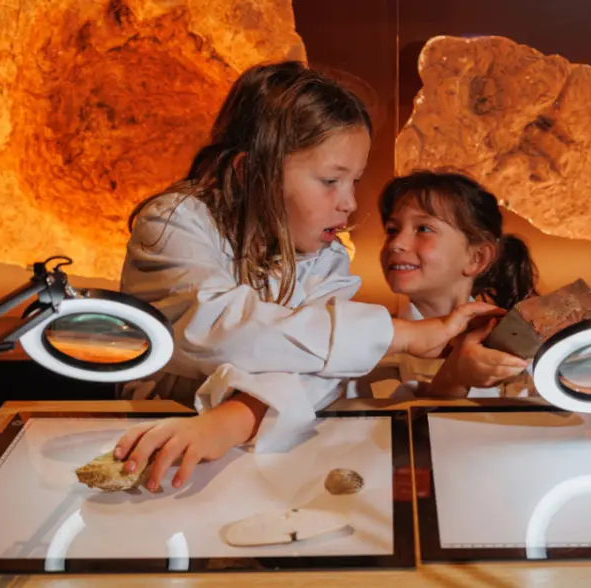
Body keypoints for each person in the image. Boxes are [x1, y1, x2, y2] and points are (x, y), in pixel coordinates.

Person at [111, 62, 501, 491]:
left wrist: (232, 420)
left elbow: (324, 368)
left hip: (264, 456)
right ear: (249, 173)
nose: (350, 203)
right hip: (154, 437)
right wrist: (401, 335)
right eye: (331, 180)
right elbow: (218, 327)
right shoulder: (174, 222)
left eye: (354, 181)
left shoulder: (326, 258)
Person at [363, 169, 540, 399]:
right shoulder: (368, 346)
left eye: (423, 229)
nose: (396, 243)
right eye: (392, 230)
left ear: (477, 258)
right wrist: (456, 375)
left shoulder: (524, 350)